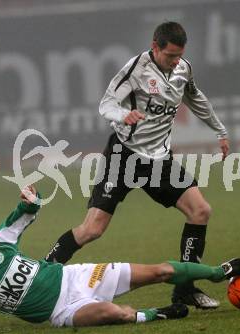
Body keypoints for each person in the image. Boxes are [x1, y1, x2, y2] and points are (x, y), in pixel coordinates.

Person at [0, 186, 240, 334]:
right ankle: (156, 314)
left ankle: (221, 273)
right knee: (116, 314)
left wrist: (31, 198)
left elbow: (23, 214)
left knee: (161, 270)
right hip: (61, 313)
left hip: (78, 278)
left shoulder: (0, 244)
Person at [44, 21, 230, 310]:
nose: (175, 61)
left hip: (159, 159)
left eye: (179, 55)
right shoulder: (136, 69)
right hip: (124, 156)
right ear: (155, 46)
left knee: (201, 211)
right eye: (169, 55)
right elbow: (106, 104)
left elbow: (194, 96)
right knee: (92, 229)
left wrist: (219, 131)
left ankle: (184, 289)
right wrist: (122, 114)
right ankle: (42, 273)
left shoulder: (184, 68)